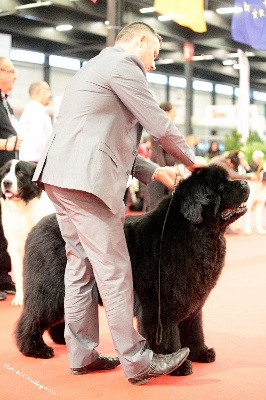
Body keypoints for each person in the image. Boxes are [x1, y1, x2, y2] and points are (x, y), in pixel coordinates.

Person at [33, 22, 195, 385]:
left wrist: (155, 171)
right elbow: (159, 123)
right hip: (86, 183)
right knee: (115, 269)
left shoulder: (92, 67)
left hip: (60, 176)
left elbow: (96, 136)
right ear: (139, 41)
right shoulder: (124, 65)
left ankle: (83, 354)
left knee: (80, 267)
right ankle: (137, 361)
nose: (153, 64)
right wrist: (193, 161)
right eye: (154, 54)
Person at [0, 56, 23, 301]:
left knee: (4, 228)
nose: (15, 76)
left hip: (6, 175)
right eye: (11, 71)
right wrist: (5, 143)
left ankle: (4, 277)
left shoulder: (5, 102)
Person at [143, 101, 179, 212]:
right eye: (173, 111)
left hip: (167, 173)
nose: (175, 114)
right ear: (166, 112)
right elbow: (159, 155)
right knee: (155, 206)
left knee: (165, 207)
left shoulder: (170, 130)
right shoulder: (156, 129)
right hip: (158, 173)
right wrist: (164, 171)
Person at [19, 81, 53, 163]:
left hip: (37, 161)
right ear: (38, 92)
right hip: (34, 162)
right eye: (47, 90)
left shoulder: (40, 111)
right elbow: (40, 140)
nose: (50, 94)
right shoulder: (35, 111)